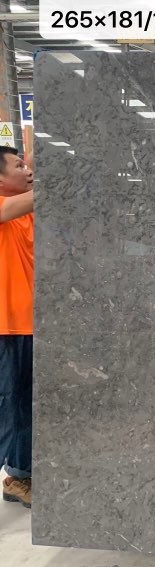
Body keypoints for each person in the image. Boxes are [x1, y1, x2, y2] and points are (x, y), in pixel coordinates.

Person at [0, 145, 34, 508]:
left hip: (28, 328)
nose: (27, 171)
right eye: (19, 166)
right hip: (3, 329)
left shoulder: (28, 214)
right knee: (5, 409)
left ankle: (19, 476)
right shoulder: (5, 208)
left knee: (25, 406)